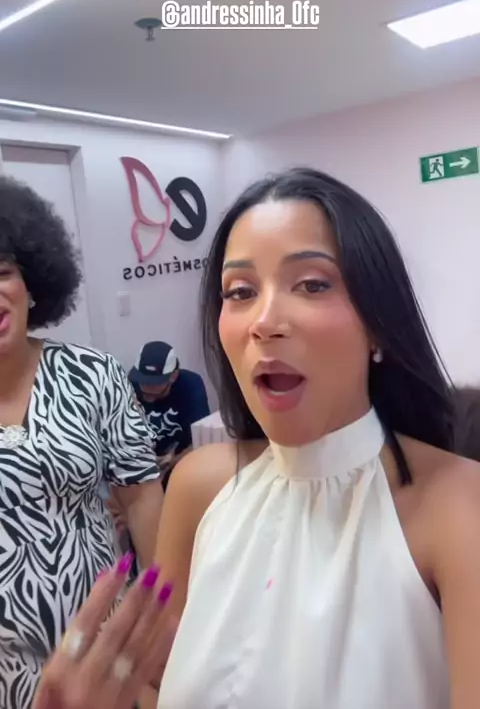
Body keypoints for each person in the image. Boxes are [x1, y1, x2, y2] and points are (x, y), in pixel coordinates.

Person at [34, 167, 480, 709]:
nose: (263, 322)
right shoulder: (200, 487)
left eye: (312, 284)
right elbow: (156, 685)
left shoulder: (457, 507)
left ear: (378, 323)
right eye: (240, 292)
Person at [0, 176, 164, 709]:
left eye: (2, 272)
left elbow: (142, 499)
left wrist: (164, 616)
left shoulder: (92, 375)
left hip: (103, 653)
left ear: (32, 281)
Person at [128, 341, 210, 483]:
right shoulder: (131, 385)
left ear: (173, 376)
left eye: (155, 383)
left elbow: (202, 439)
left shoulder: (190, 385)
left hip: (183, 457)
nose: (147, 389)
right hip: (145, 460)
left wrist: (173, 461)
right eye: (144, 381)